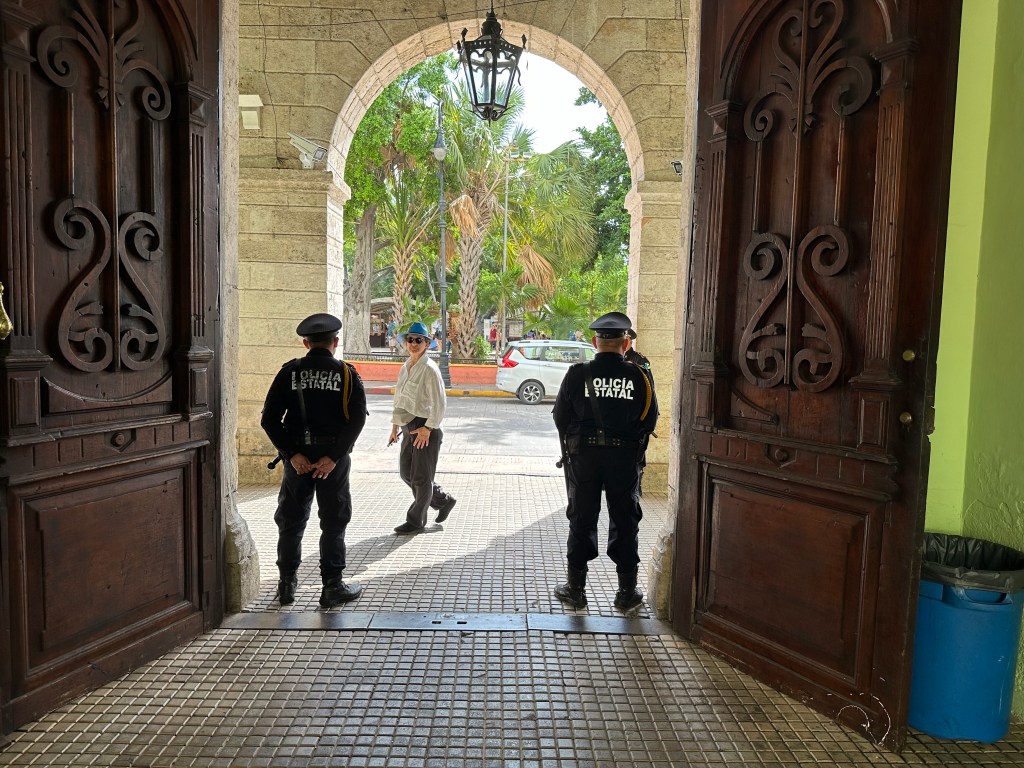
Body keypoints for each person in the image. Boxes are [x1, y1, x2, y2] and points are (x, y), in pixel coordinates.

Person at [552, 311, 659, 612]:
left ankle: (576, 590)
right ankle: (626, 593)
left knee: (581, 517)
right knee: (625, 520)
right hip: (624, 460)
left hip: (584, 459)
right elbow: (650, 420)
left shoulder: (577, 373)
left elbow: (560, 418)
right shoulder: (640, 376)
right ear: (626, 343)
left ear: (594, 341)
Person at [261, 313, 367, 608]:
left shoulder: (289, 372)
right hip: (331, 463)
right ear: (335, 342)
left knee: (291, 522)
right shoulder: (347, 374)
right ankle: (332, 587)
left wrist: (291, 454)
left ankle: (286, 586)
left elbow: (269, 419)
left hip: (298, 462)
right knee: (333, 522)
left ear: (306, 342)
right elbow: (357, 421)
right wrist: (332, 458)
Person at [388, 321, 457, 533]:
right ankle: (442, 500)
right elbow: (400, 399)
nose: (414, 343)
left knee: (421, 478)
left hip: (426, 427)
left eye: (419, 340)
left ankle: (416, 521)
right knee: (406, 473)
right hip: (409, 426)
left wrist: (428, 428)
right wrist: (394, 428)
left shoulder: (429, 369)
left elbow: (440, 402)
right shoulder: (406, 367)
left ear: (427, 343)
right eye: (410, 340)